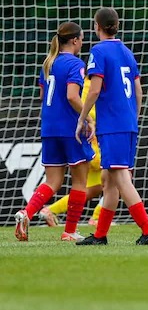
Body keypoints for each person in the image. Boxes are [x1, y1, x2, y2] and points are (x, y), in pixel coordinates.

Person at [74, 7, 148, 245]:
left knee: (121, 177)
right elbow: (139, 90)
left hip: (112, 124)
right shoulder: (126, 52)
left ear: (96, 26)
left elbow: (96, 88)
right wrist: (134, 116)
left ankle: (147, 230)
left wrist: (82, 116)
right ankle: (100, 235)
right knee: (108, 180)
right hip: (127, 122)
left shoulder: (98, 51)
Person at [14, 22, 94, 242]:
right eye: (82, 39)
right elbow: (71, 96)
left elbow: (43, 95)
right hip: (70, 128)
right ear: (75, 40)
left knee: (53, 181)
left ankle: (26, 213)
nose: (82, 43)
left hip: (49, 127)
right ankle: (69, 231)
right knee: (80, 181)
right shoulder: (76, 63)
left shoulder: (48, 63)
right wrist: (87, 117)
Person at [39, 76, 105, 228]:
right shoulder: (91, 87)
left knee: (97, 186)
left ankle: (50, 210)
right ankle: (95, 218)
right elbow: (90, 112)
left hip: (87, 138)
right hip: (93, 141)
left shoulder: (85, 85)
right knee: (114, 180)